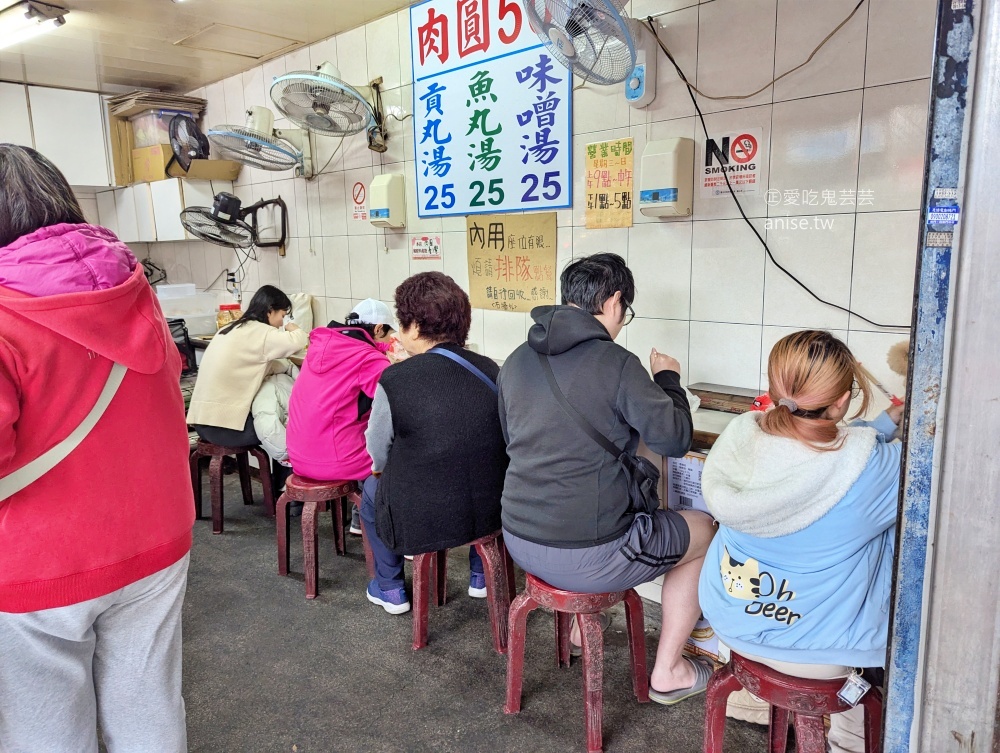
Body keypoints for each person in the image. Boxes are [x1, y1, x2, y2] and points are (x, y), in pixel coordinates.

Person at [0, 143, 193, 751]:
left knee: (49, 729)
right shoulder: (136, 291)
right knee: (150, 705)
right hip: (158, 541)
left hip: (40, 565)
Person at [498, 253, 716, 704]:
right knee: (704, 532)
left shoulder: (517, 360)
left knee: (583, 498)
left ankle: (581, 633)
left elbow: (516, 440)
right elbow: (675, 438)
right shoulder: (616, 362)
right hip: (589, 556)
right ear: (615, 301)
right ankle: (671, 670)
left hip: (519, 540)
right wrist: (669, 379)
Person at [698, 330, 903, 753]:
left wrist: (883, 425)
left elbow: (834, 444)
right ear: (843, 401)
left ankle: (754, 703)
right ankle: (848, 738)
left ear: (775, 389)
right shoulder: (875, 471)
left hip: (732, 623)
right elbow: (859, 454)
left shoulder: (742, 438)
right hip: (820, 647)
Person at [363, 272, 508, 614]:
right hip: (494, 510)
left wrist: (382, 471)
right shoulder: (491, 369)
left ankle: (391, 588)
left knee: (370, 491)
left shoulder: (395, 379)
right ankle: (480, 575)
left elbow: (377, 449)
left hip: (425, 518)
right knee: (475, 463)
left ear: (414, 326)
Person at [286, 299, 396, 536]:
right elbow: (395, 399)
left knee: (355, 423)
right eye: (388, 335)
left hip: (297, 455)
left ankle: (359, 518)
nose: (388, 342)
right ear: (378, 329)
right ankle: (373, 521)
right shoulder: (368, 358)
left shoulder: (321, 344)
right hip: (334, 461)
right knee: (390, 445)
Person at [187, 284, 307, 493]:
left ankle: (282, 490)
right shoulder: (262, 333)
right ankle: (288, 493)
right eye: (282, 315)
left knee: (272, 395)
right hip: (227, 429)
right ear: (270, 310)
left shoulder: (230, 327)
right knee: (285, 424)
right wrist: (291, 326)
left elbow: (265, 364)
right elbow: (298, 341)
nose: (280, 322)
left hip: (202, 423)